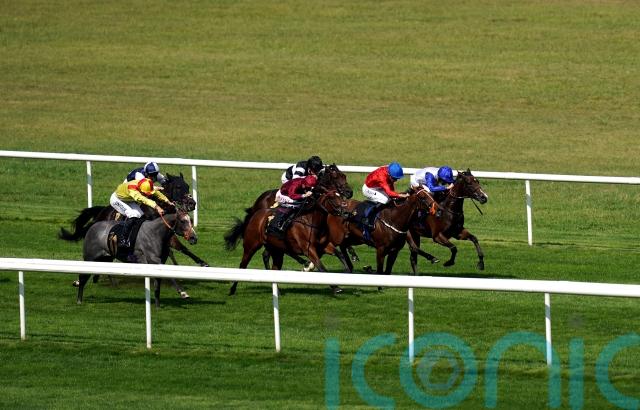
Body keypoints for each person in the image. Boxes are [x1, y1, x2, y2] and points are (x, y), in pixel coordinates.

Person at [110, 177, 174, 247]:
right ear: (141, 189)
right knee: (133, 215)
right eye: (146, 193)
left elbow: (156, 193)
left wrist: (168, 201)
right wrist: (157, 207)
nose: (147, 195)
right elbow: (143, 199)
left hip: (128, 199)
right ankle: (123, 239)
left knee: (140, 214)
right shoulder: (133, 190)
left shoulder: (144, 185)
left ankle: (135, 234)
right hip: (117, 199)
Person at [360, 162, 409, 228]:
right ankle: (367, 218)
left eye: (397, 179)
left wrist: (395, 195)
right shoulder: (382, 177)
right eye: (394, 178)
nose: (396, 180)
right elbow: (389, 192)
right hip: (368, 189)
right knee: (385, 199)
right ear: (389, 174)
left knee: (390, 199)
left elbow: (391, 187)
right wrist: (400, 195)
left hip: (378, 186)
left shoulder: (389, 171)